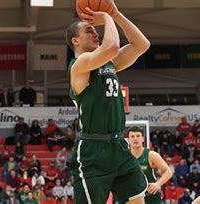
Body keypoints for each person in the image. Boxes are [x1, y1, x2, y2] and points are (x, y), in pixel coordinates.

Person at [66, 1, 150, 203]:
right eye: (89, 30)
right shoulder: (79, 65)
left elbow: (142, 45)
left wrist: (117, 14)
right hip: (92, 150)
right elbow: (111, 46)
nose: (96, 34)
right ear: (76, 41)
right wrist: (106, 17)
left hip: (119, 145)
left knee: (137, 199)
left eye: (96, 30)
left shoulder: (109, 62)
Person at [125, 127, 173, 203]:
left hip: (151, 196)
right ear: (128, 140)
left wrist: (157, 184)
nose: (135, 138)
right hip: (132, 197)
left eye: (138, 136)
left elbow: (168, 172)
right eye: (132, 136)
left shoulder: (151, 155)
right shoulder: (124, 157)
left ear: (143, 139)